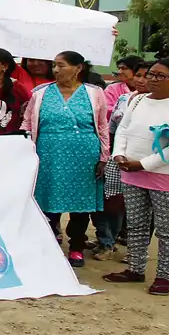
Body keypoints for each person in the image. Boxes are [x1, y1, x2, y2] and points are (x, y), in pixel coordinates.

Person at [104, 58, 169, 295]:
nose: (152, 80)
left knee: (167, 229)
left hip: (165, 177)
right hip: (132, 173)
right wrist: (119, 154)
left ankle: (165, 277)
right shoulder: (137, 101)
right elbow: (123, 129)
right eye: (151, 74)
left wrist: (143, 164)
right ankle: (135, 269)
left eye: (160, 76)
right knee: (136, 225)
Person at [21, 51, 110, 268]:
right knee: (47, 200)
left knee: (80, 203)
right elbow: (27, 123)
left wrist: (104, 156)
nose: (56, 70)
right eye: (54, 66)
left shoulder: (94, 93)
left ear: (78, 68)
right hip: (48, 154)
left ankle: (76, 246)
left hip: (84, 156)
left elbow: (102, 126)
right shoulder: (40, 93)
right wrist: (25, 149)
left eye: (61, 65)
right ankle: (48, 243)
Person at [95, 61, 149, 260]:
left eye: (147, 76)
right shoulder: (125, 99)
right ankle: (108, 241)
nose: (141, 80)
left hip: (147, 164)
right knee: (112, 201)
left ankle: (136, 251)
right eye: (139, 75)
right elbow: (113, 128)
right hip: (117, 158)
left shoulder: (165, 105)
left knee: (142, 208)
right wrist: (111, 154)